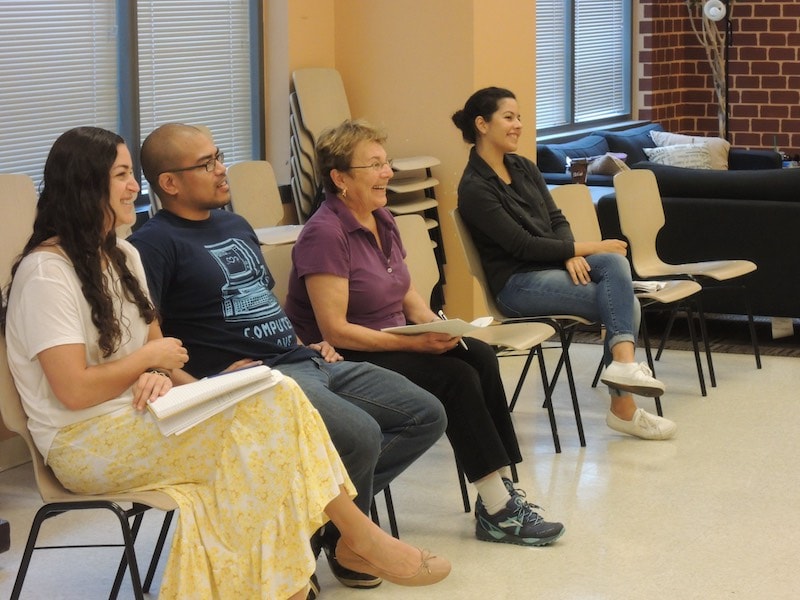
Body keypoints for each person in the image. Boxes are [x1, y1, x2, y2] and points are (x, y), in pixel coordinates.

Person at [0, 127, 450, 600]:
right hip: (85, 441)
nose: (135, 186)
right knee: (258, 441)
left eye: (131, 173)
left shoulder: (123, 255)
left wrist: (181, 380)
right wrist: (150, 361)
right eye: (122, 175)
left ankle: (308, 575)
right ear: (85, 186)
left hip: (142, 415)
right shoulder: (46, 273)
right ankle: (353, 541)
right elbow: (75, 390)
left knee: (273, 396)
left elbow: (160, 354)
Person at [128, 123, 447, 591]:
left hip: (301, 356)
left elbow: (262, 302)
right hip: (255, 380)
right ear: (169, 183)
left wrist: (306, 340)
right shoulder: (153, 244)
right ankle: (328, 552)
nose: (222, 171)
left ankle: (327, 536)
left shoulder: (235, 225)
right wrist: (203, 382)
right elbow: (147, 336)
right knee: (359, 436)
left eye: (219, 157)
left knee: (425, 414)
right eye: (207, 164)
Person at [284, 119, 565, 548]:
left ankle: (502, 491)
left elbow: (408, 295)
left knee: (478, 356)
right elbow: (335, 330)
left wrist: (443, 327)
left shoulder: (382, 218)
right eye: (374, 166)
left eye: (386, 162)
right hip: (340, 356)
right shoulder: (324, 234)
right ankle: (497, 509)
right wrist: (414, 342)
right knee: (455, 378)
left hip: (392, 340)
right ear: (340, 179)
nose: (388, 174)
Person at [451, 86, 677, 441]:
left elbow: (556, 220)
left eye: (519, 117)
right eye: (508, 117)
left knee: (613, 266)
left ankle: (622, 369)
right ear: (482, 124)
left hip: (550, 267)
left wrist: (572, 251)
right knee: (623, 299)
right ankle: (624, 403)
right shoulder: (475, 188)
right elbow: (522, 246)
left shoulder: (523, 167)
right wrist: (587, 246)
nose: (518, 125)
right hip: (516, 284)